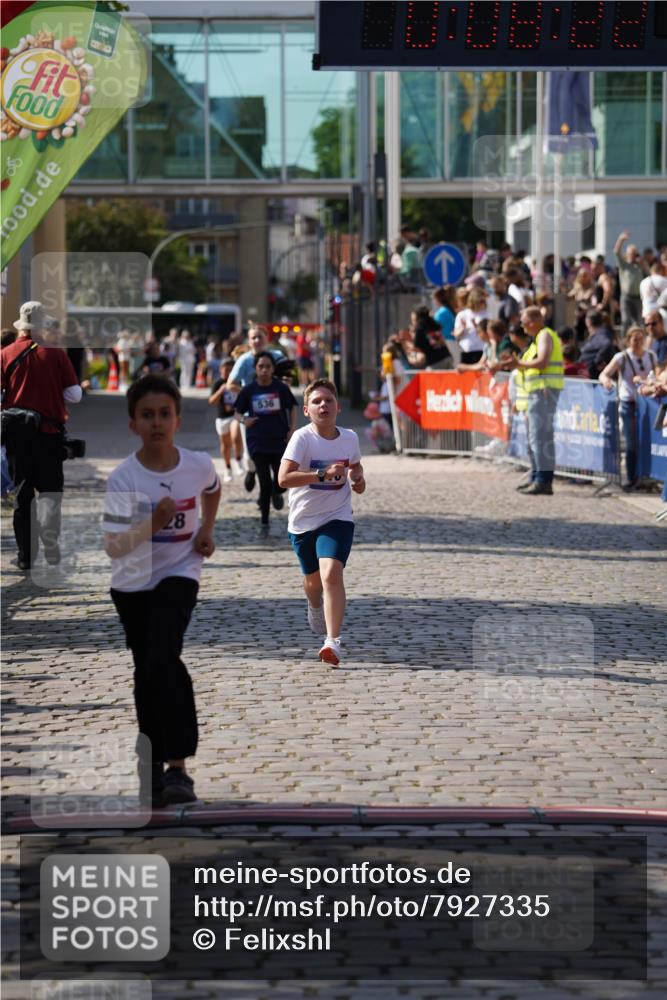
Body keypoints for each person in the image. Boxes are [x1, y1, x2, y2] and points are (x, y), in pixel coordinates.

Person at [103, 375, 220, 807]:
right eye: (147, 415)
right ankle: (150, 766)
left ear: (177, 419)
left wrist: (206, 530)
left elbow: (213, 489)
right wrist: (152, 523)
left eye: (164, 414)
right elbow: (113, 547)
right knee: (146, 670)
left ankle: (178, 768)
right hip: (132, 583)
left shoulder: (196, 465)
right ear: (133, 423)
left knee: (162, 655)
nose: (157, 423)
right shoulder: (123, 478)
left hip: (180, 573)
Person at [278, 378, 365, 668]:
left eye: (328, 400)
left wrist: (358, 479)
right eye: (316, 401)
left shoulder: (350, 438)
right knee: (313, 583)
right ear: (306, 410)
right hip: (303, 522)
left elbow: (355, 466)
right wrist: (321, 475)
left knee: (331, 574)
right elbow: (283, 479)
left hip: (337, 517)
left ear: (338, 407)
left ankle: (333, 642)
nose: (323, 405)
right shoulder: (302, 439)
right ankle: (315, 604)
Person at [1, 301, 82, 571]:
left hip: (16, 436)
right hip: (49, 434)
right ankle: (50, 547)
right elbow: (75, 395)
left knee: (22, 495)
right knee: (50, 493)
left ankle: (25, 556)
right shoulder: (56, 355)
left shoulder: (5, 354)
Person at [234, 352, 298, 535]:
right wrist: (243, 420)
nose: (264, 370)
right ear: (255, 368)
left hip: (278, 440)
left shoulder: (280, 388)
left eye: (267, 367)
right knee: (264, 482)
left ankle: (276, 492)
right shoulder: (249, 390)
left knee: (280, 481)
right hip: (257, 441)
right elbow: (237, 412)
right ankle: (264, 520)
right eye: (260, 366)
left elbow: (292, 406)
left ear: (272, 369)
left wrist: (292, 429)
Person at [508, 306, 564, 495]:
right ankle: (538, 477)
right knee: (538, 439)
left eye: (523, 321)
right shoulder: (536, 340)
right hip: (538, 393)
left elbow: (543, 362)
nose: (522, 326)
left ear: (534, 321)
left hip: (544, 393)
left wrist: (519, 364)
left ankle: (543, 480)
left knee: (539, 439)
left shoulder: (545, 336)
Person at [599, 326, 657, 490]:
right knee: (632, 443)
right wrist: (607, 382)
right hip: (629, 403)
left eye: (640, 338)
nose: (638, 342)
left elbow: (658, 374)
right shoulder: (622, 357)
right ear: (628, 340)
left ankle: (646, 476)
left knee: (647, 441)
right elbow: (604, 374)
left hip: (647, 403)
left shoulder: (650, 356)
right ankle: (632, 477)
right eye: (634, 338)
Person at [208, 356, 244, 482]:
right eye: (226, 369)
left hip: (235, 415)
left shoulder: (237, 382)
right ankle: (227, 468)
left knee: (236, 437)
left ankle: (239, 460)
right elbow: (211, 401)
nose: (228, 372)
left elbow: (245, 395)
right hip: (222, 417)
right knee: (226, 444)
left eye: (231, 369)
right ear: (220, 370)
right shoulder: (218, 383)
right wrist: (221, 390)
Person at [614, 231, 644, 332]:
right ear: (627, 254)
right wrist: (621, 240)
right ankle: (624, 341)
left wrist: (642, 261)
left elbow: (648, 273)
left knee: (638, 322)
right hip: (626, 297)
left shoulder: (639, 266)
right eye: (630, 254)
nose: (632, 256)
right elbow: (616, 252)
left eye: (634, 254)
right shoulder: (624, 265)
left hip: (638, 298)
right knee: (626, 320)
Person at [578, 309, 617, 380]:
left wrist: (596, 362)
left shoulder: (601, 334)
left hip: (595, 378)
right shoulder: (597, 333)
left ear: (588, 321)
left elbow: (607, 344)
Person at [453, 286, 488, 364]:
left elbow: (489, 332)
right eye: (480, 301)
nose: (482, 303)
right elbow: (456, 335)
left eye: (483, 301)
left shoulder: (486, 314)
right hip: (466, 351)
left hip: (482, 349)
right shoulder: (462, 314)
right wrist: (463, 328)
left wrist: (477, 327)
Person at [410, 306, 451, 370]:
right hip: (447, 356)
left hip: (435, 361)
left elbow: (416, 347)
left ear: (418, 318)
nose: (413, 322)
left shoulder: (420, 329)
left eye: (413, 320)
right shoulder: (434, 324)